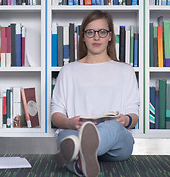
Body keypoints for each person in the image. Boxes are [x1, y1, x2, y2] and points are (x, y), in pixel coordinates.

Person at [51, 10, 140, 177]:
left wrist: (124, 119)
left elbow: (133, 116)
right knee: (68, 137)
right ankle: (82, 162)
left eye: (102, 32)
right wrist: (71, 123)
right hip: (75, 131)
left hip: (116, 144)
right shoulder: (69, 70)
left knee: (113, 127)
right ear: (83, 37)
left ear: (110, 36)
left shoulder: (125, 70)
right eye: (90, 32)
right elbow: (56, 115)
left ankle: (78, 152)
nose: (97, 37)